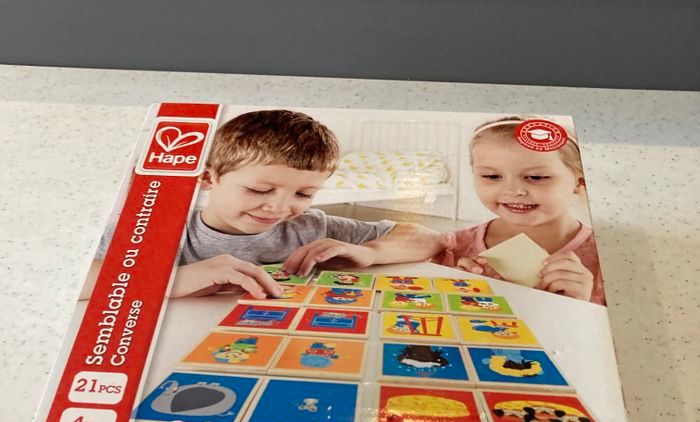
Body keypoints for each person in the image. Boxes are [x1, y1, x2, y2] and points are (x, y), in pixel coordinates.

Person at [85, 109, 448, 299]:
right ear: (209, 178)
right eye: (259, 190)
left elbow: (429, 238)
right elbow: (75, 280)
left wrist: (369, 251)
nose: (279, 208)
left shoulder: (311, 228)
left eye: (303, 194)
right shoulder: (153, 227)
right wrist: (168, 280)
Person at [438, 117, 605, 305]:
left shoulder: (606, 256)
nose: (513, 191)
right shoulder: (452, 247)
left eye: (536, 177)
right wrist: (452, 293)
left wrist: (580, 303)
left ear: (580, 182)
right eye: (492, 176)